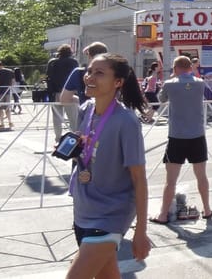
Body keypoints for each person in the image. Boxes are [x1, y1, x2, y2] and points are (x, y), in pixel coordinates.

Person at [66, 53, 149, 277]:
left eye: (99, 73)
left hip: (111, 214)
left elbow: (139, 178)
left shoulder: (126, 121)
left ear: (118, 82)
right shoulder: (86, 110)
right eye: (89, 71)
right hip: (83, 208)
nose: (90, 77)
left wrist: (141, 230)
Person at [149, 56, 212, 224]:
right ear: (190, 67)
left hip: (177, 136)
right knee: (202, 176)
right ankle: (207, 209)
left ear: (175, 68)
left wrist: (170, 80)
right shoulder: (200, 83)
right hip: (197, 135)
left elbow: (161, 99)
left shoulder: (170, 84)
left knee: (170, 180)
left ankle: (163, 214)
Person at [61, 42, 109, 109]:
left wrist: (79, 100)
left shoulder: (78, 72)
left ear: (89, 56)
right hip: (112, 114)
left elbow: (64, 99)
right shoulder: (114, 72)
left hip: (89, 115)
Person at [47, 44, 80, 139]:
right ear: (70, 52)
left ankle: (58, 137)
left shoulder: (52, 62)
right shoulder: (73, 62)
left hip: (55, 92)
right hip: (70, 92)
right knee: (73, 117)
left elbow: (48, 77)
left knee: (57, 117)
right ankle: (75, 137)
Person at [0, 60, 15, 130]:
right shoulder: (10, 71)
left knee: (0, 108)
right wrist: (10, 87)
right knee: (8, 108)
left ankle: (2, 123)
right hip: (8, 91)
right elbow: (13, 81)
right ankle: (10, 121)